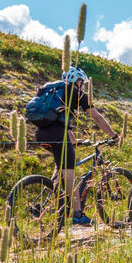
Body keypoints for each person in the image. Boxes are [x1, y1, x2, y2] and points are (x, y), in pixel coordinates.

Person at [35, 67, 120, 226]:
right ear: (77, 81)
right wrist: (113, 135)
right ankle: (77, 215)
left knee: (61, 167)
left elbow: (58, 120)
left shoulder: (51, 90)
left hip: (41, 135)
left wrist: (73, 140)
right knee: (70, 173)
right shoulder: (75, 93)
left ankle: (54, 199)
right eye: (82, 83)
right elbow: (96, 117)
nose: (83, 86)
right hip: (58, 136)